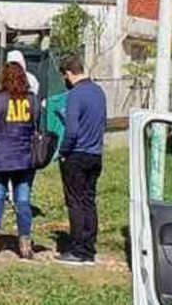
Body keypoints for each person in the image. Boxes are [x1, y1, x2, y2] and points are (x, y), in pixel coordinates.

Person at [0, 63, 40, 260]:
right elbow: (38, 122)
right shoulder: (32, 100)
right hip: (24, 159)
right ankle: (25, 245)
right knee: (23, 201)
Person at [56, 55, 107, 266]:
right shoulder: (99, 91)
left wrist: (63, 151)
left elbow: (72, 129)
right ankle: (89, 248)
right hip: (96, 154)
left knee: (75, 201)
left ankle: (77, 250)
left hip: (77, 154)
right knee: (88, 200)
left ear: (68, 73)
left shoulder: (75, 95)